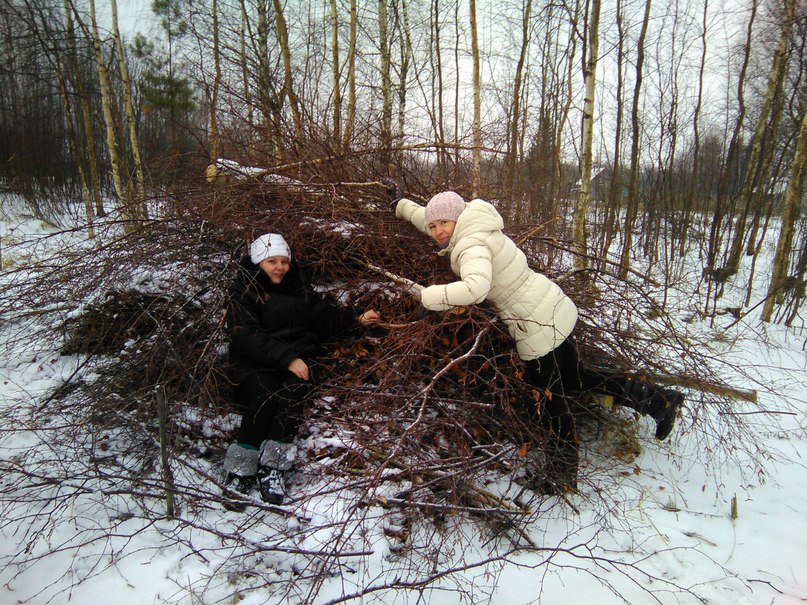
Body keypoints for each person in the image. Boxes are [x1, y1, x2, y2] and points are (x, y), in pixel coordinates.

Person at [388, 187, 683, 494]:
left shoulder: (470, 245)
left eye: (443, 225)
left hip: (534, 325)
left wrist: (428, 296)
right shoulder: (476, 222)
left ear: (457, 219)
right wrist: (401, 207)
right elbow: (431, 216)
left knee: (551, 401)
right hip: (553, 307)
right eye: (434, 226)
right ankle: (659, 400)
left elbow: (475, 288)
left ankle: (561, 475)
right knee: (577, 379)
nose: (437, 231)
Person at [223, 232, 380, 505]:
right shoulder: (243, 293)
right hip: (254, 364)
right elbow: (244, 335)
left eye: (283, 261)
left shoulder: (300, 290)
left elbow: (326, 319)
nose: (279, 267)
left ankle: (273, 468)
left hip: (296, 361)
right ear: (258, 262)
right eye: (272, 261)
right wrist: (286, 359)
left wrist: (357, 317)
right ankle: (240, 469)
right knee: (266, 393)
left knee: (293, 394)